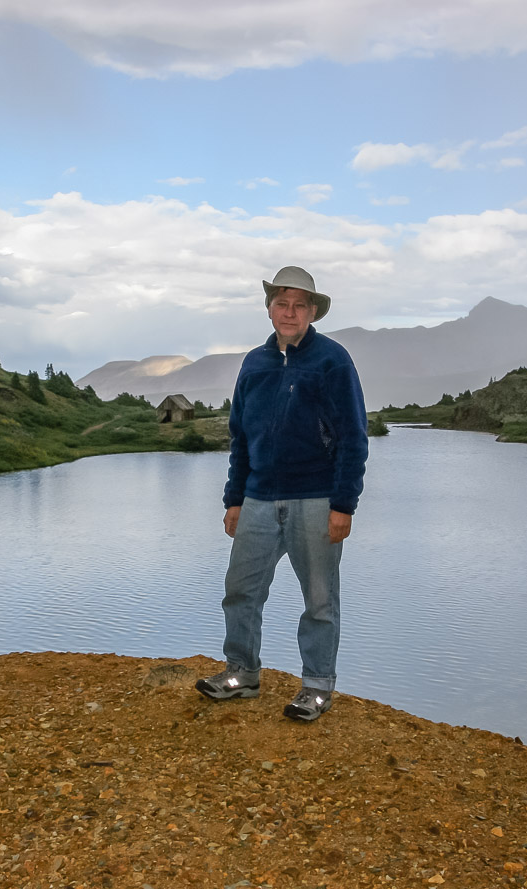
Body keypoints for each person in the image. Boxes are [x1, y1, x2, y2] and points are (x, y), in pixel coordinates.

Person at [195, 266, 368, 721]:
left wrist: (343, 504)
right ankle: (241, 674)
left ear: (313, 311)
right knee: (240, 590)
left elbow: (353, 437)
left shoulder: (332, 360)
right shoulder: (254, 362)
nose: (289, 312)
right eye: (281, 303)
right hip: (257, 499)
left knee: (319, 599)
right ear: (270, 308)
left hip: (315, 498)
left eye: (299, 305)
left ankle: (315, 687)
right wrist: (234, 499)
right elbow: (240, 436)